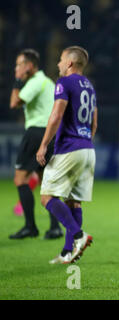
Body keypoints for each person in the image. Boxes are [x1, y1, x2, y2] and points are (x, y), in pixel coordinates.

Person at [36, 46, 97, 264]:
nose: (58, 64)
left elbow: (56, 115)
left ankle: (79, 235)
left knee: (46, 197)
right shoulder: (89, 86)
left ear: (70, 63)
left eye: (61, 60)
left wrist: (44, 145)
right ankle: (67, 253)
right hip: (88, 149)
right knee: (74, 202)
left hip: (70, 148)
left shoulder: (64, 83)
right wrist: (85, 141)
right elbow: (94, 123)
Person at [9, 49, 63, 239]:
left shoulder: (35, 82)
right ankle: (55, 227)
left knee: (20, 179)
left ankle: (30, 226)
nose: (17, 68)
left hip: (36, 133)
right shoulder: (47, 82)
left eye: (19, 64)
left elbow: (14, 103)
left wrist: (17, 81)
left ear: (29, 66)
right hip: (50, 134)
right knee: (45, 183)